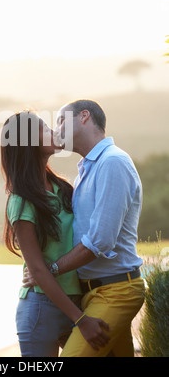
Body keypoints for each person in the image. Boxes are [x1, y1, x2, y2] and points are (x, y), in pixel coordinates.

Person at [23, 99, 145, 357]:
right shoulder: (85, 171)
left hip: (116, 292)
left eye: (61, 120)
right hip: (92, 294)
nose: (56, 129)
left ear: (84, 117)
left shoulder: (113, 162)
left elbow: (100, 241)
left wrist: (49, 271)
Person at [0, 110, 110, 357]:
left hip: (78, 300)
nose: (54, 132)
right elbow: (37, 269)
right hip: (42, 308)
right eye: (45, 129)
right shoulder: (21, 200)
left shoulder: (63, 188)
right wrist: (81, 320)